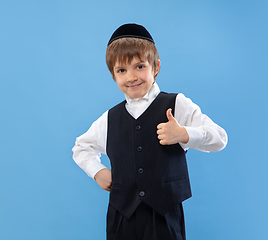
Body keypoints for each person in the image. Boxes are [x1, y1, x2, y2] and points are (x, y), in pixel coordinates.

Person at [72, 23, 227, 240]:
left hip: (164, 215)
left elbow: (219, 138)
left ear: (156, 67)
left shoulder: (176, 104)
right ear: (113, 75)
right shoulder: (109, 119)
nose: (131, 77)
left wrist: (184, 134)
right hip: (122, 216)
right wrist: (97, 171)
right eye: (122, 70)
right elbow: (81, 147)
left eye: (140, 67)